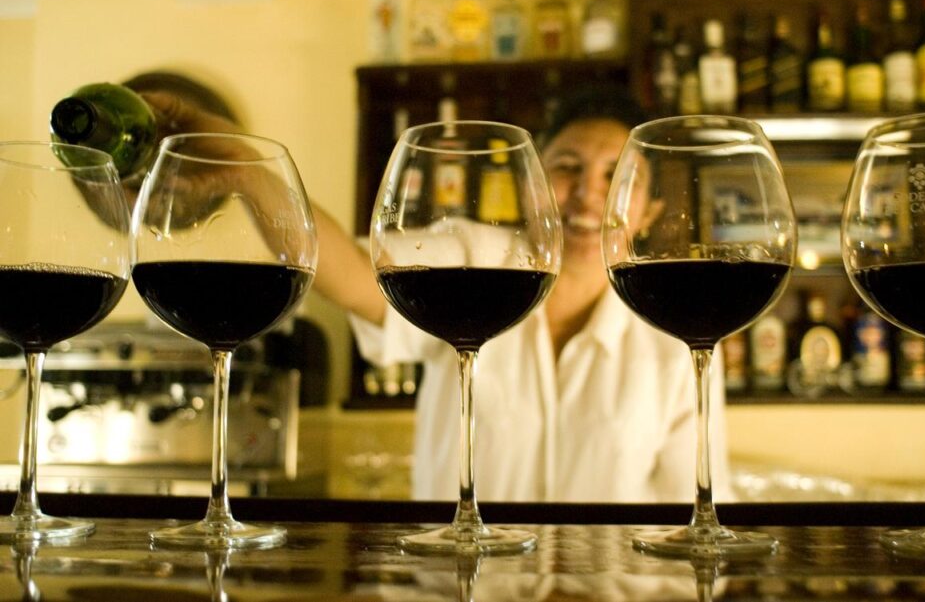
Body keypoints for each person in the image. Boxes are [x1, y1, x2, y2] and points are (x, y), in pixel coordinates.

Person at [144, 83, 732, 503]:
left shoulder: (673, 331)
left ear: (648, 209)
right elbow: (347, 270)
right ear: (531, 185)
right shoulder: (473, 263)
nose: (587, 194)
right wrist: (246, 168)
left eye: (615, 176)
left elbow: (695, 502)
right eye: (567, 167)